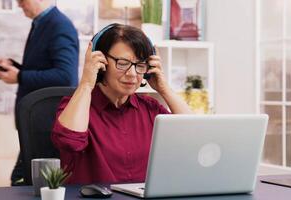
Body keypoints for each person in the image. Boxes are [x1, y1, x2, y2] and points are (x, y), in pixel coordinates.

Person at [51, 24, 192, 184]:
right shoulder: (76, 106)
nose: (132, 74)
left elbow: (193, 138)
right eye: (123, 63)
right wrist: (86, 83)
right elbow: (70, 143)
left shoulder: (150, 109)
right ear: (101, 62)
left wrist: (164, 88)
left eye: (140, 65)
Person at [0, 0, 79, 185]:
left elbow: (65, 77)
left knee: (22, 182)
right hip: (38, 126)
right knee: (22, 182)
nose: (19, 4)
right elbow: (43, 68)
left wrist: (20, 76)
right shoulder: (43, 23)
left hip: (47, 126)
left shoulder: (58, 25)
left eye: (22, 0)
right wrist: (14, 68)